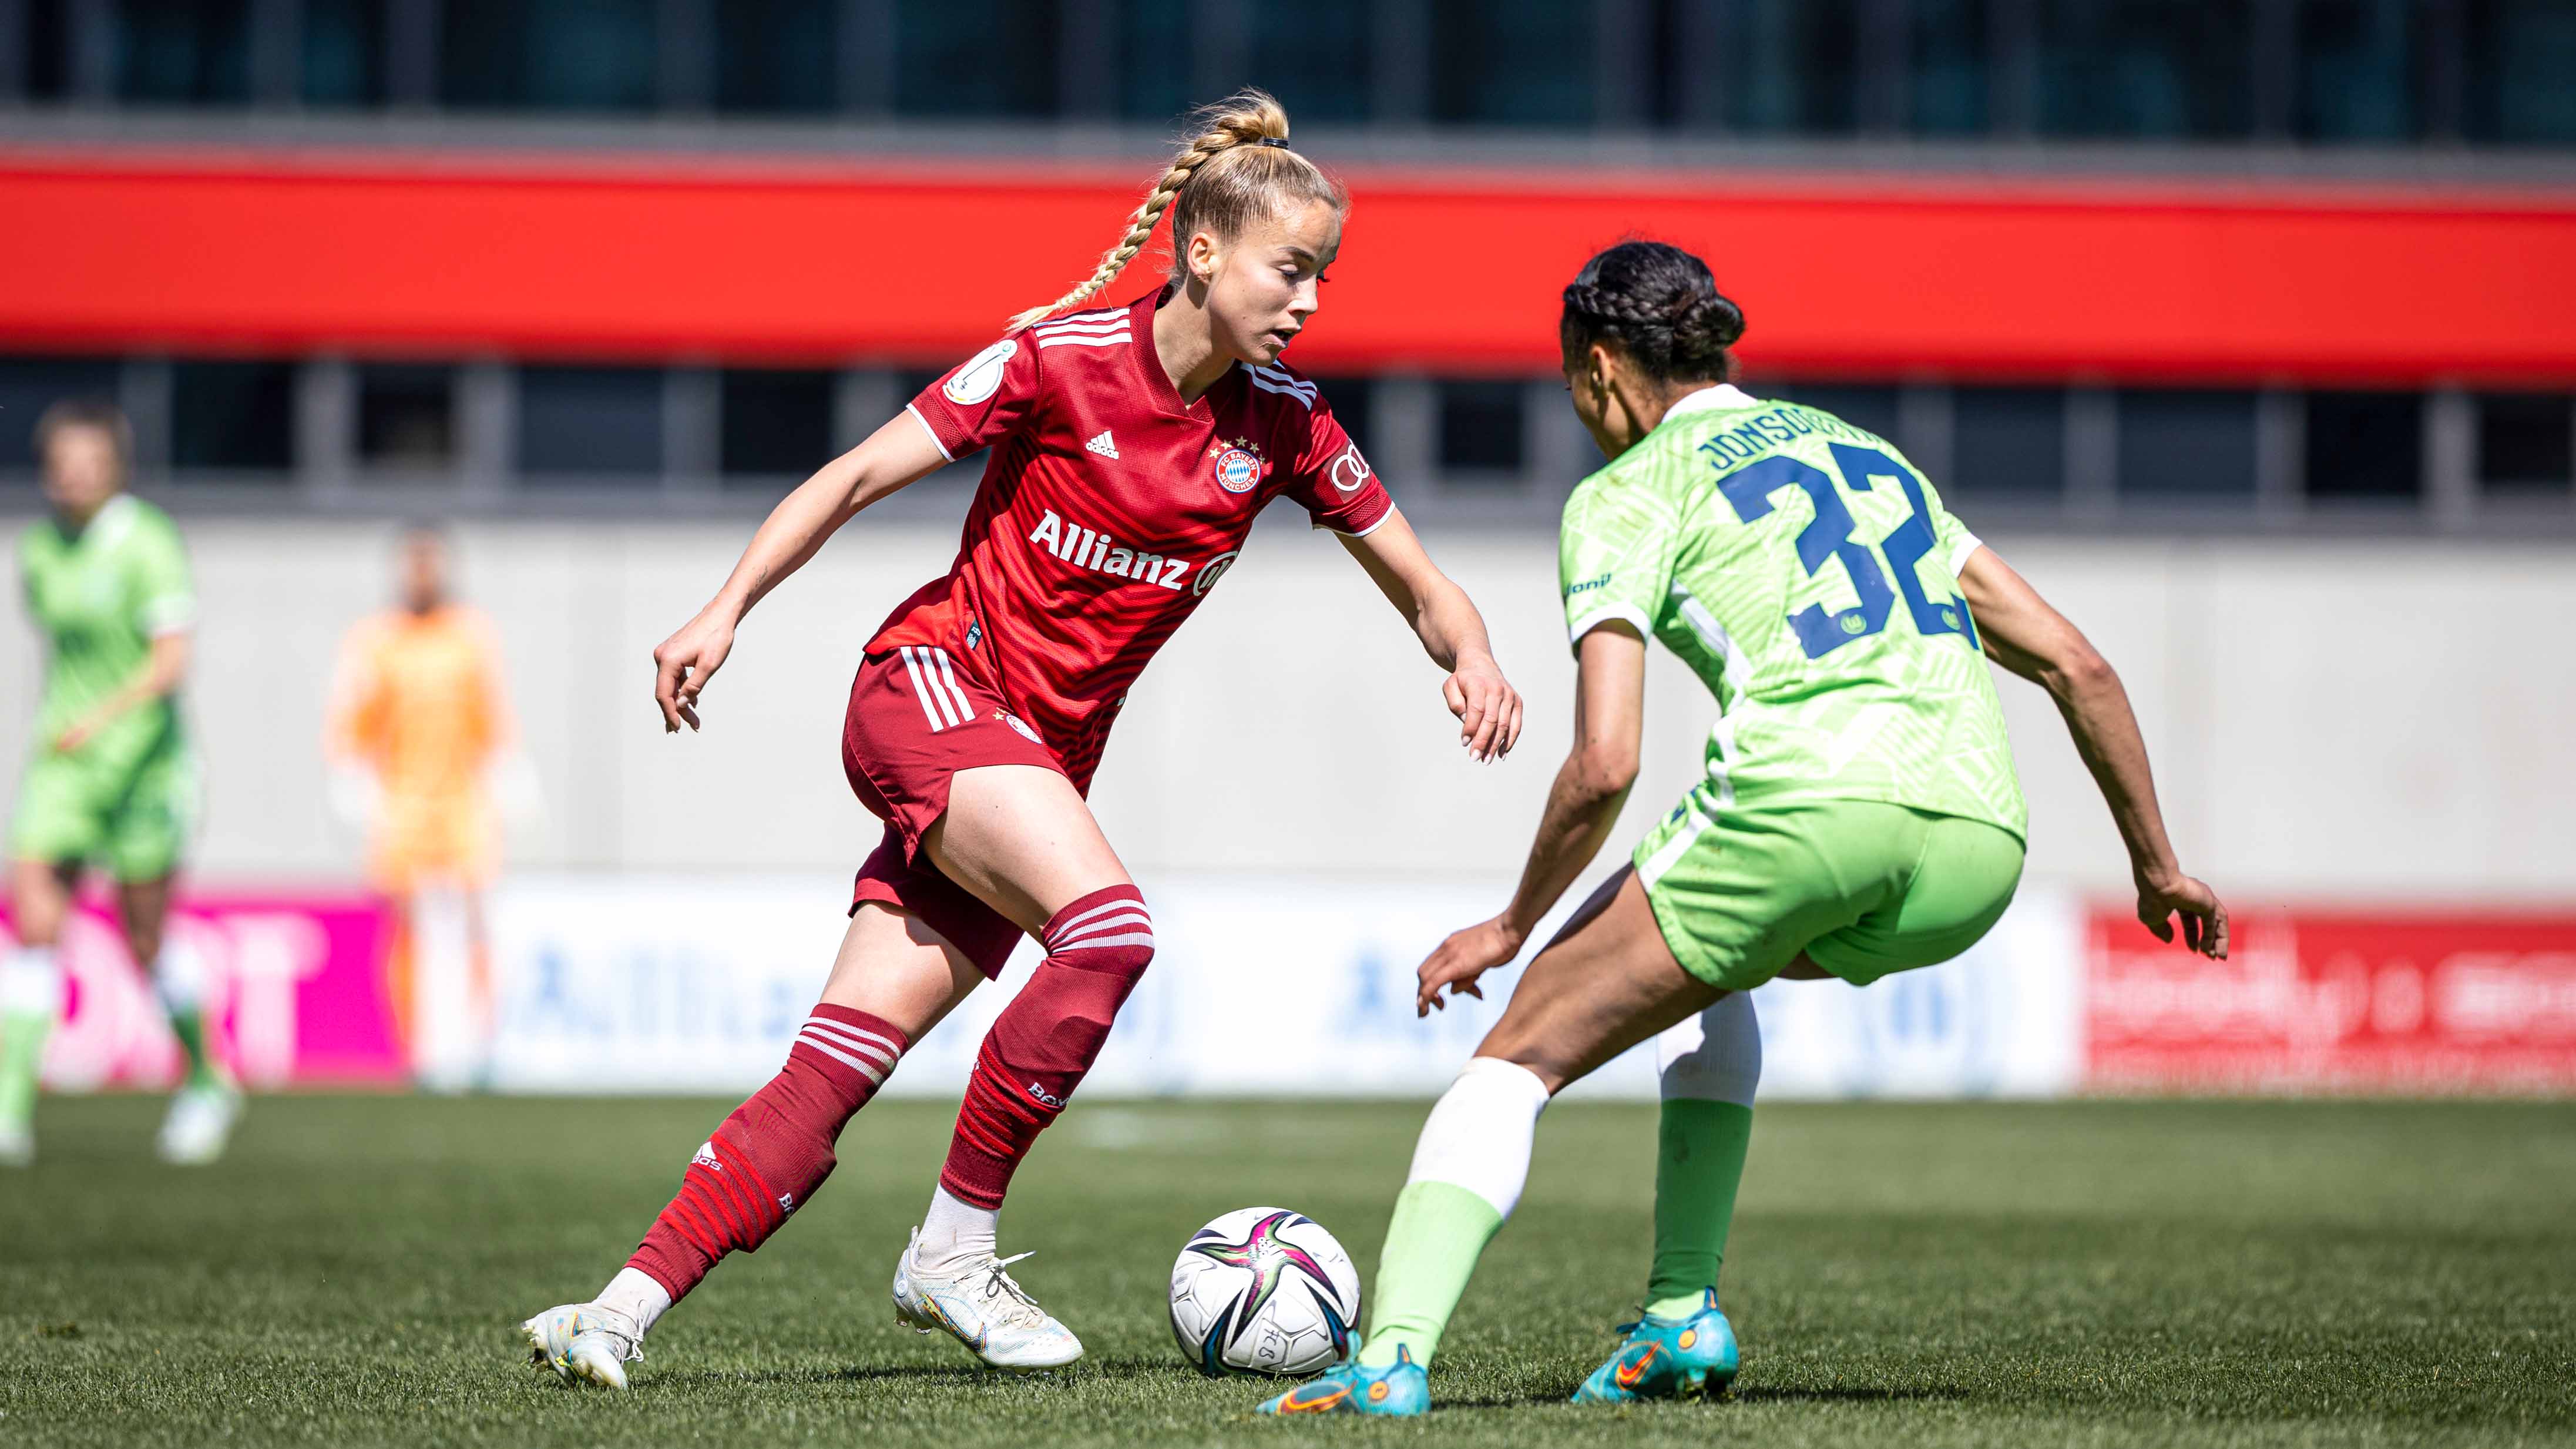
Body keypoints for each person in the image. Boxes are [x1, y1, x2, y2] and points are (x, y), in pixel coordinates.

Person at [522, 89, 1526, 1388]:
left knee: (837, 1065)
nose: (1309, 301)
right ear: (1203, 252)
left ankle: (613, 1311)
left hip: (1023, 771)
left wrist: (1475, 655)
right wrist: (724, 610)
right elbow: (852, 476)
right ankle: (952, 1251)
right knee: (1108, 930)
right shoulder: (1054, 358)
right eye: (1291, 269)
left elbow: (1424, 586)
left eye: (1322, 276)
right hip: (931, 686)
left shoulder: (1285, 428)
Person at [1262, 240, 2228, 1417]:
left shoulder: (1623, 495)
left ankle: (1387, 1363)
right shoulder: (1863, 457)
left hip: (1804, 811)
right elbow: (2076, 664)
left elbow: (1603, 763)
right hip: (1974, 846)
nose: (1577, 407)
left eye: (1574, 382)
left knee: (1514, 1058)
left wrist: (1510, 927)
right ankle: (1677, 1321)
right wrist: (2155, 864)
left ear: (1605, 367)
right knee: (1706, 977)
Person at [1, 398, 236, 1167]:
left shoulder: (148, 545)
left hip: (144, 766)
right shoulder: (38, 549)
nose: (70, 476)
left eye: (87, 461)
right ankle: (9, 1109)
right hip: (65, 765)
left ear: (114, 467)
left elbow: (170, 661)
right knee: (33, 915)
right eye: (59, 461)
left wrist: (103, 719)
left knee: (144, 938)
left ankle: (207, 1078)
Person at [325, 522, 528, 1090]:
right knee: (407, 925)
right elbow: (351, 719)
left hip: (463, 799)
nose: (422, 573)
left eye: (430, 561)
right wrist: (351, 782)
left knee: (477, 918)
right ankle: (415, 1051)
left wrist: (508, 772)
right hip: (402, 801)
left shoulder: (470, 635)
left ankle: (482, 1044)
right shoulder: (375, 639)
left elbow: (492, 712)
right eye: (413, 562)